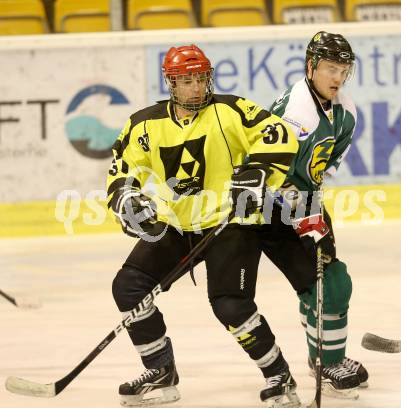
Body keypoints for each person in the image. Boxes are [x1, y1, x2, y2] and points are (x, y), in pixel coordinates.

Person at [107, 44, 302, 407]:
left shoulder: (230, 110)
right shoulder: (143, 124)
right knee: (129, 287)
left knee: (230, 304)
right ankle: (161, 373)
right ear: (171, 83)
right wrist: (126, 201)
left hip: (229, 222)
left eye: (200, 78)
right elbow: (121, 170)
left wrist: (259, 169)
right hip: (177, 223)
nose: (195, 88)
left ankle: (280, 377)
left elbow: (279, 134)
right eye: (185, 80)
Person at [262, 31, 369, 399]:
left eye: (343, 69)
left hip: (305, 201)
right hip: (268, 209)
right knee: (324, 283)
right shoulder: (297, 112)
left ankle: (323, 359)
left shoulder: (346, 113)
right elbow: (268, 168)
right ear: (311, 67)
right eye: (329, 68)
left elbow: (320, 169)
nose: (337, 77)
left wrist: (310, 207)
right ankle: (326, 360)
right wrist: (297, 209)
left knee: (329, 282)